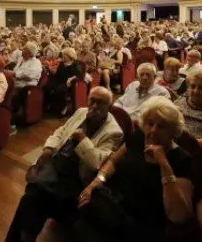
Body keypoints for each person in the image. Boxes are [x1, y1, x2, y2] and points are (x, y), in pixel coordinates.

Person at [6, 87, 123, 242]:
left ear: (109, 106)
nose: (94, 106)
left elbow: (97, 162)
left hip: (77, 176)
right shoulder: (81, 112)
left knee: (34, 194)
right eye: (92, 101)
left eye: (100, 103)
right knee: (34, 195)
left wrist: (82, 140)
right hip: (58, 162)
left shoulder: (114, 132)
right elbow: (61, 131)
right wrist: (48, 148)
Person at [75, 97, 195, 241]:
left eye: (162, 126)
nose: (154, 131)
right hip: (111, 204)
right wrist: (96, 182)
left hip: (141, 221)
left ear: (173, 132)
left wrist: (164, 164)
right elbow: (113, 161)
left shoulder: (181, 159)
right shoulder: (139, 136)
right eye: (150, 124)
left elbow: (179, 216)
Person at [43, 47, 84, 115]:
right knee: (46, 87)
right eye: (63, 55)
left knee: (60, 89)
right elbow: (57, 74)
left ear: (70, 56)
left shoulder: (75, 64)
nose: (63, 56)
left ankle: (64, 106)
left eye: (65, 55)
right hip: (59, 80)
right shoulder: (62, 63)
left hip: (69, 82)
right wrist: (52, 71)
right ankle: (49, 105)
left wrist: (71, 78)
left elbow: (79, 75)